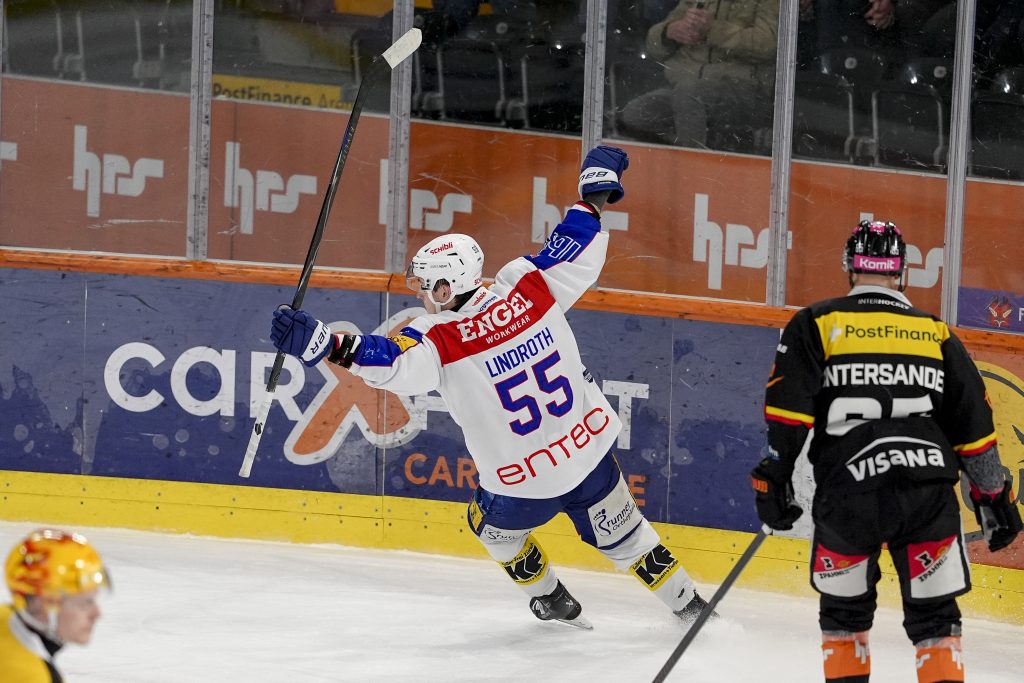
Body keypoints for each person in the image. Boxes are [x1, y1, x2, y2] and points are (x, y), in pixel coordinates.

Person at [269, 145, 711, 628]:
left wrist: (322, 343)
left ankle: (551, 598)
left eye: (425, 286)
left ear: (445, 289)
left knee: (489, 528)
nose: (421, 294)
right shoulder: (529, 285)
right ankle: (692, 610)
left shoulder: (439, 338)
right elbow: (574, 242)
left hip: (525, 481)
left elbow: (388, 360)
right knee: (629, 539)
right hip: (587, 452)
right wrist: (593, 195)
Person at [750, 220, 1023, 683]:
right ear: (902, 272)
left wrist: (775, 477)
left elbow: (788, 413)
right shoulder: (935, 333)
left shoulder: (816, 322)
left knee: (844, 619)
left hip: (848, 493)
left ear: (849, 267)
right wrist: (993, 496)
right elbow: (975, 429)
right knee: (936, 622)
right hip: (926, 493)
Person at [618, 0, 779, 151]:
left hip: (744, 89)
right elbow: (654, 46)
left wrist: (713, 29)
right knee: (636, 113)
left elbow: (769, 45)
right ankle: (674, 162)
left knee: (690, 94)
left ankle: (693, 166)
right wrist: (669, 32)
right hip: (686, 86)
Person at [2, 528, 110, 682]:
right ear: (44, 603)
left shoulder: (6, 614)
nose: (97, 614)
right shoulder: (34, 677)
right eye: (85, 603)